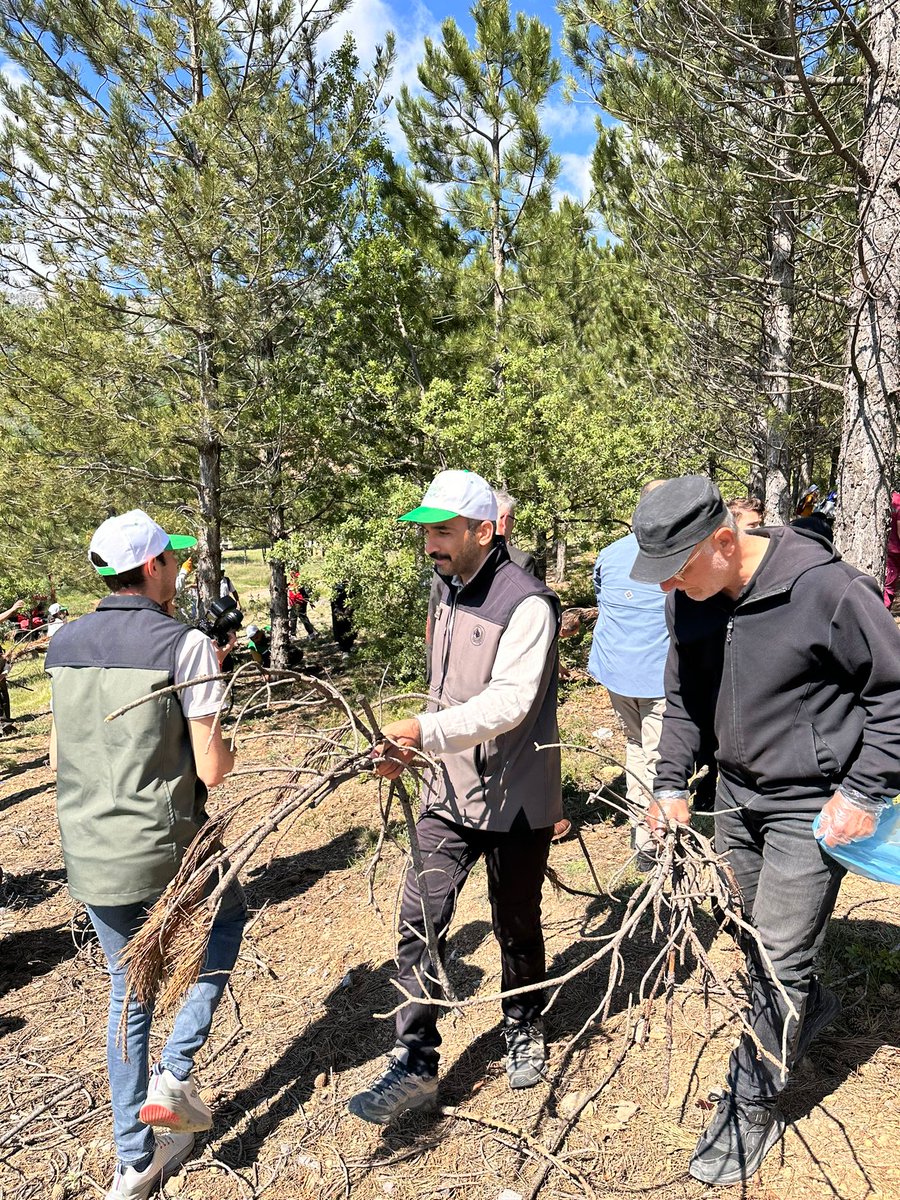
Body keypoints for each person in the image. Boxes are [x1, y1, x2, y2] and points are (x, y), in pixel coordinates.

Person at [630, 476, 900, 1187]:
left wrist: (864, 790)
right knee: (754, 933)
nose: (671, 587)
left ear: (725, 539)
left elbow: (893, 695)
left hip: (810, 807)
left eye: (679, 569)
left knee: (778, 956)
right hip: (733, 798)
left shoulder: (830, 590)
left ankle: (751, 1103)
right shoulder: (691, 603)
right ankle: (810, 1007)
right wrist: (667, 783)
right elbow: (685, 698)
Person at [348, 469, 563, 1125]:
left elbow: (508, 702)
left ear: (482, 530)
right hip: (447, 792)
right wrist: (409, 746)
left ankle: (524, 1022)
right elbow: (443, 687)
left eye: (442, 531)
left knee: (516, 922)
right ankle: (415, 1061)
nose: (430, 545)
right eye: (425, 532)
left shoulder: (528, 604)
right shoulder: (443, 590)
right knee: (422, 917)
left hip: (515, 796)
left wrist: (424, 732)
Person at [46, 510, 246, 1200]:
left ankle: (132, 1159)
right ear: (154, 569)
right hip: (165, 847)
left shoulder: (62, 643)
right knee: (228, 919)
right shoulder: (182, 644)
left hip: (91, 848)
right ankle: (176, 1069)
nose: (178, 572)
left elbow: (59, 752)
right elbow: (213, 769)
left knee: (127, 990)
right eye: (174, 562)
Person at [587, 481, 669, 868]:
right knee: (655, 755)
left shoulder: (610, 553)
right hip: (656, 675)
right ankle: (653, 840)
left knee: (638, 747)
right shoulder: (676, 556)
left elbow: (601, 595)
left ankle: (646, 832)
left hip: (617, 671)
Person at [884, 490, 900, 609]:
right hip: (895, 551)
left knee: (887, 586)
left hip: (888, 548)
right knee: (888, 588)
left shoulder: (889, 497)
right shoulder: (898, 500)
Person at [288, 572, 317, 639]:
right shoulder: (292, 579)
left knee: (302, 616)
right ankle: (293, 634)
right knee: (293, 617)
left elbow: (305, 591)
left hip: (299, 601)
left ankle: (311, 633)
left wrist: (310, 601)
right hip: (293, 602)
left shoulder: (299, 579)